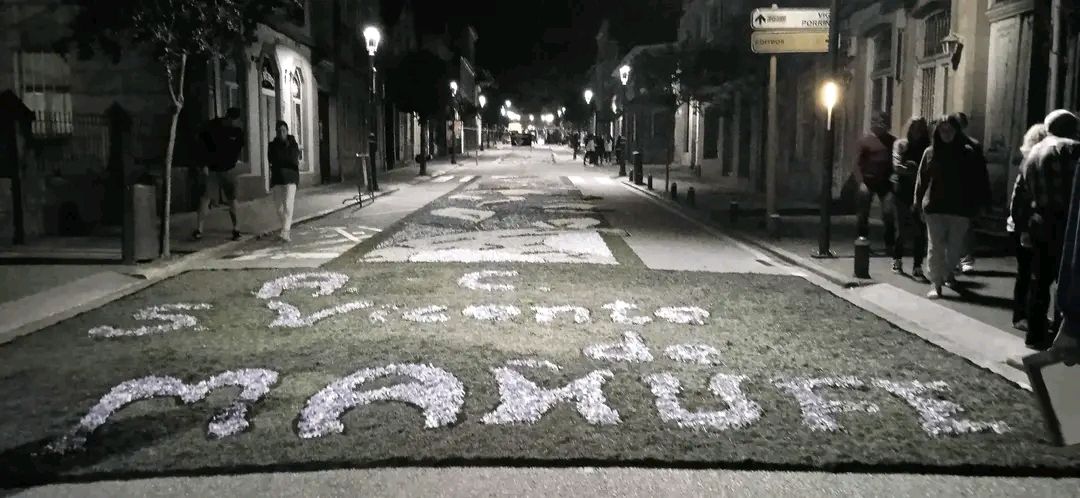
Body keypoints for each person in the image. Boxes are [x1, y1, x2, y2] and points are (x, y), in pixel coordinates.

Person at [1014, 109, 1080, 350]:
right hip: (1067, 222)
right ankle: (1062, 333)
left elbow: (1020, 193)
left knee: (1039, 280)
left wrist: (1020, 224)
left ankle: (1034, 334)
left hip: (1040, 221)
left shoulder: (1032, 154)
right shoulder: (1071, 148)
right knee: (1067, 280)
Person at [914, 114, 989, 299]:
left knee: (955, 248)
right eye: (942, 130)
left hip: (960, 207)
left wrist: (981, 203)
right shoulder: (930, 153)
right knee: (935, 247)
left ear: (957, 131)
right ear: (937, 132)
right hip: (934, 206)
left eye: (950, 130)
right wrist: (917, 201)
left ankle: (948, 273)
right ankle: (936, 283)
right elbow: (921, 179)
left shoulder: (968, 152)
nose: (946, 133)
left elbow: (979, 180)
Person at [1007, 123, 1048, 331]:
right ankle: (1020, 315)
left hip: (1025, 225)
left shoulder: (1034, 161)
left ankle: (1028, 314)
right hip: (1023, 226)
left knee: (1032, 272)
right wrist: (1023, 229)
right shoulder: (1030, 163)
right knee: (1026, 272)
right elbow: (1019, 201)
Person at [194, 107, 244, 241]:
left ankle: (236, 228)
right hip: (213, 169)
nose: (234, 123)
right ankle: (199, 228)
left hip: (229, 169)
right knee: (205, 198)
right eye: (232, 120)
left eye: (236, 120)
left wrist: (235, 162)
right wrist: (204, 164)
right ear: (227, 117)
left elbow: (239, 148)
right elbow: (202, 145)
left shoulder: (238, 132)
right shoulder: (214, 127)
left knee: (232, 199)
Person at [890, 116, 931, 279]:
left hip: (920, 191)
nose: (917, 131)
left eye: (921, 128)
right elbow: (896, 166)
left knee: (920, 230)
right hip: (902, 191)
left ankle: (917, 265)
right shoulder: (901, 144)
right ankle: (897, 259)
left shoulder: (927, 147)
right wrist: (911, 170)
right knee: (901, 228)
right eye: (914, 127)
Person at [854, 111, 897, 253]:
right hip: (868, 181)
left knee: (888, 212)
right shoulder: (865, 141)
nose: (880, 125)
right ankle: (862, 241)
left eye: (883, 122)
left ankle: (889, 244)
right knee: (863, 212)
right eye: (877, 122)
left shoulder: (892, 141)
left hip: (886, 182)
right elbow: (857, 164)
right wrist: (861, 182)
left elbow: (896, 161)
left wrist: (894, 177)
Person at [953, 112, 989, 274]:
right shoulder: (942, 143)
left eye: (961, 124)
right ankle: (953, 259)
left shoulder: (974, 145)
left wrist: (983, 196)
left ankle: (966, 259)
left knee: (967, 227)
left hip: (967, 191)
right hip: (948, 191)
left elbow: (981, 172)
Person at [268, 120, 301, 242]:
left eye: (283, 130)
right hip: (277, 178)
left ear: (287, 131)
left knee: (288, 204)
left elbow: (293, 160)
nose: (281, 133)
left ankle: (286, 231)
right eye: (279, 131)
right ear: (276, 132)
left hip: (291, 178)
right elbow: (272, 160)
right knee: (279, 207)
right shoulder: (272, 145)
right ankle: (285, 229)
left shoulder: (293, 144)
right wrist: (283, 159)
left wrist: (281, 159)